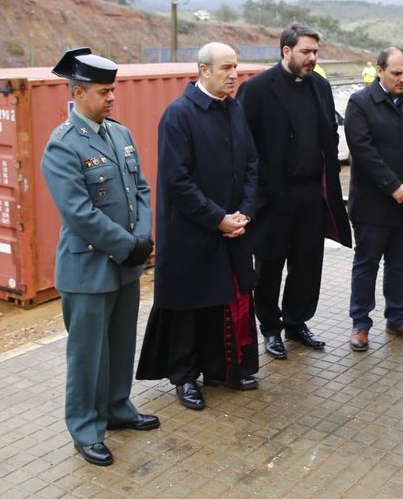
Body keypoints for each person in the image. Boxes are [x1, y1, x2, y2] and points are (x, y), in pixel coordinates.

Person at [40, 47, 158, 468]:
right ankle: (86, 429)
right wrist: (130, 245)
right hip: (88, 268)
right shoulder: (63, 146)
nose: (112, 99)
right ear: (78, 92)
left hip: (125, 264)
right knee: (88, 355)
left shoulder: (119, 134)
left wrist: (143, 235)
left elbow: (140, 189)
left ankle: (117, 409)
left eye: (114, 91)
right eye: (104, 92)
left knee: (121, 344)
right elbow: (79, 213)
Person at [137, 42, 260, 411]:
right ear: (203, 70)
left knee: (226, 301)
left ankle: (222, 369)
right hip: (192, 232)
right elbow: (177, 182)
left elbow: (253, 164)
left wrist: (245, 212)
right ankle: (185, 377)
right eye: (226, 68)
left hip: (233, 226)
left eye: (235, 67)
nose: (234, 74)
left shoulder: (234, 109)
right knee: (190, 306)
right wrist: (217, 218)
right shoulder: (178, 114)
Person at [237, 24, 352, 359]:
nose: (312, 58)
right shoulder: (258, 89)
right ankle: (270, 329)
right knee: (269, 266)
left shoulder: (320, 86)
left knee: (307, 264)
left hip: (311, 194)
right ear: (286, 51)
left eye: (315, 52)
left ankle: (296, 321)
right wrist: (254, 199)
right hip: (274, 197)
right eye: (306, 52)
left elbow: (328, 136)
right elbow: (245, 147)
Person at [343, 46, 403, 351]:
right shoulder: (360, 103)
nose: (402, 79)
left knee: (399, 264)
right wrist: (393, 186)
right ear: (379, 70)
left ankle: (398, 318)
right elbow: (362, 149)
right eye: (396, 73)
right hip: (373, 205)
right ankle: (360, 324)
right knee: (367, 263)